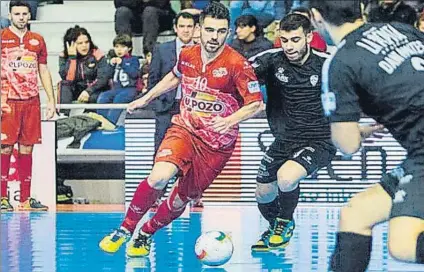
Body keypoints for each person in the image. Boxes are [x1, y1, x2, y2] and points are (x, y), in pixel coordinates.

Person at [99, 2, 263, 257]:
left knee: (179, 199)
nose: (214, 37)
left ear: (228, 32)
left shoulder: (237, 64)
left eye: (220, 31)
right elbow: (176, 76)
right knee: (159, 176)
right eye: (209, 30)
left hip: (216, 146)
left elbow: (255, 104)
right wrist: (146, 98)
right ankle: (125, 228)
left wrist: (229, 121)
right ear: (199, 30)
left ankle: (146, 233)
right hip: (184, 129)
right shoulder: (188, 54)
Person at [309, 0, 424, 271]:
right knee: (357, 213)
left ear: (316, 17)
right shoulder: (399, 29)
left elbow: (348, 145)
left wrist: (347, 129)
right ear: (360, 7)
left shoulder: (340, 62)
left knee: (403, 244)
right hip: (419, 151)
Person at [248, 13, 338, 251]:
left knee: (286, 178)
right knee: (263, 194)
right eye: (285, 40)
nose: (289, 46)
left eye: (295, 40)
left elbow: (360, 85)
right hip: (285, 139)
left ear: (309, 37)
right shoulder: (271, 60)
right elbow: (237, 73)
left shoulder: (327, 62)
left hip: (320, 140)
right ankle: (276, 225)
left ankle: (284, 223)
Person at [1, 0, 56, 211]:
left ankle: (25, 199)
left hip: (31, 101)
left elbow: (43, 70)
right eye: (17, 14)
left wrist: (51, 100)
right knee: (5, 148)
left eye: (25, 13)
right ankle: (2, 198)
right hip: (7, 102)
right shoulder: (2, 38)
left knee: (27, 147)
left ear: (29, 15)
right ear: (10, 15)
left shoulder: (37, 40)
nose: (21, 17)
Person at [58, 26, 110, 115]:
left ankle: (88, 117)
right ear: (71, 44)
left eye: (86, 42)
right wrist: (72, 58)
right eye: (80, 43)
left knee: (95, 97)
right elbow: (68, 79)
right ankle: (63, 116)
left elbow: (103, 78)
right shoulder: (64, 56)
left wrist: (88, 91)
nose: (84, 46)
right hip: (77, 88)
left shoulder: (97, 54)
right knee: (63, 84)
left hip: (95, 89)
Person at [97, 34, 140, 125]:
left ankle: (111, 123)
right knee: (103, 97)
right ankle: (101, 121)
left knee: (119, 98)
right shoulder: (114, 60)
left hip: (130, 89)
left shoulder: (134, 60)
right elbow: (107, 76)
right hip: (116, 89)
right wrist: (110, 65)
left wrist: (123, 63)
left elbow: (134, 74)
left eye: (123, 47)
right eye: (116, 47)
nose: (119, 49)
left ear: (129, 48)